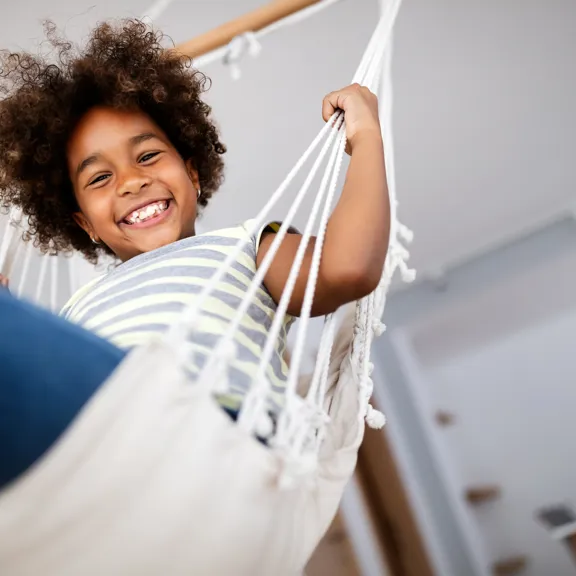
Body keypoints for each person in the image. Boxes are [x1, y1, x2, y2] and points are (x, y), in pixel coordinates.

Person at [0, 20, 390, 489]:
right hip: (97, 458)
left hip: (219, 436)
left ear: (193, 174)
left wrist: (365, 136)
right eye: (99, 179)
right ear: (84, 223)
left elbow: (347, 269)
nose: (130, 181)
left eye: (147, 157)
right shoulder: (74, 312)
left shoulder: (243, 246)